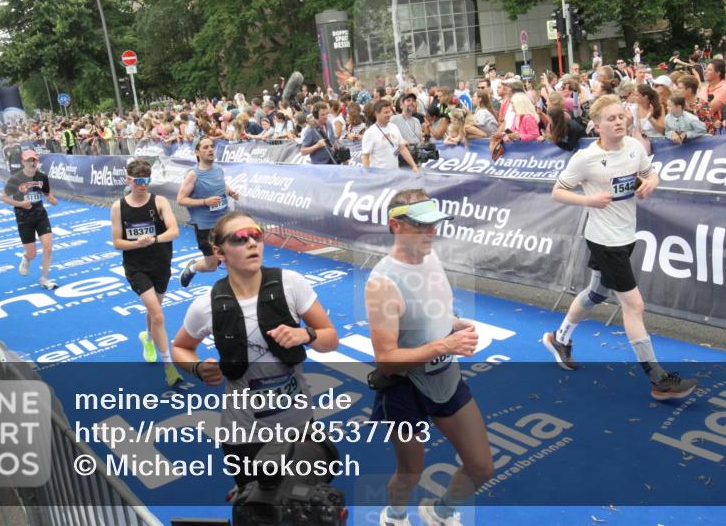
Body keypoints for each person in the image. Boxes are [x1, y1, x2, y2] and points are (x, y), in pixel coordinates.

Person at [544, 95, 697, 401]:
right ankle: (658, 379)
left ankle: (559, 339)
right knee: (634, 305)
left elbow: (648, 172)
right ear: (597, 126)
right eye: (611, 118)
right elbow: (557, 192)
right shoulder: (585, 158)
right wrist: (588, 200)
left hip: (626, 235)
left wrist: (652, 181)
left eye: (621, 116)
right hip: (604, 240)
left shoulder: (634, 147)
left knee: (597, 293)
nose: (618, 121)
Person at [171, 211, 339, 488]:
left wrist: (305, 335)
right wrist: (198, 368)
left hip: (299, 424)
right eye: (239, 238)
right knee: (260, 506)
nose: (252, 243)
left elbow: (330, 339)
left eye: (256, 235)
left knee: (307, 503)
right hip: (244, 434)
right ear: (219, 252)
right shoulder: (206, 305)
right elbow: (181, 348)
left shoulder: (291, 283)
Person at [366, 189, 494, 526]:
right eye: (422, 226)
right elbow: (386, 359)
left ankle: (440, 512)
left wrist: (452, 325)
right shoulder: (382, 282)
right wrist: (445, 346)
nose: (431, 232)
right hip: (404, 389)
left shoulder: (431, 257)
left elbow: (431, 313)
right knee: (410, 472)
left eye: (434, 224)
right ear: (395, 225)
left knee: (482, 467)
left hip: (445, 377)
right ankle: (394, 516)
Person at [110, 159, 182, 387]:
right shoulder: (118, 207)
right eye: (138, 181)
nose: (143, 185)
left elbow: (174, 230)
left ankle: (148, 338)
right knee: (158, 315)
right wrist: (137, 245)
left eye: (146, 180)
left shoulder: (159, 201)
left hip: (161, 263)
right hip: (136, 266)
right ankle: (169, 367)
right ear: (128, 180)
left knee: (154, 310)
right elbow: (117, 242)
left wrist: (154, 239)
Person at [177, 137, 240, 287]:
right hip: (205, 227)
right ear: (197, 152)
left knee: (233, 255)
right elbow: (180, 200)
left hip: (224, 223)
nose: (210, 149)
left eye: (211, 146)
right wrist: (205, 202)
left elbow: (220, 183)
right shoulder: (193, 174)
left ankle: (238, 289)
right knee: (212, 266)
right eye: (205, 147)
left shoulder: (218, 169)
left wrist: (230, 192)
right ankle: (192, 267)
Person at [1, 150, 59, 289]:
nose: (32, 163)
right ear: (23, 162)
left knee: (48, 247)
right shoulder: (15, 179)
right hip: (24, 219)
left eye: (34, 160)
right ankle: (26, 258)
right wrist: (21, 204)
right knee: (32, 253)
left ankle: (44, 278)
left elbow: (46, 193)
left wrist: (52, 199)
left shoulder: (42, 177)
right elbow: (3, 196)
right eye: (28, 160)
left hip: (40, 216)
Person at [363, 99, 418, 172]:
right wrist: (367, 175)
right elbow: (366, 156)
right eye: (385, 112)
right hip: (379, 176)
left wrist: (414, 166)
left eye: (390, 112)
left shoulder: (394, 127)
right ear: (376, 113)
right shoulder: (370, 133)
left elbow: (402, 148)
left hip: (394, 174)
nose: (389, 114)